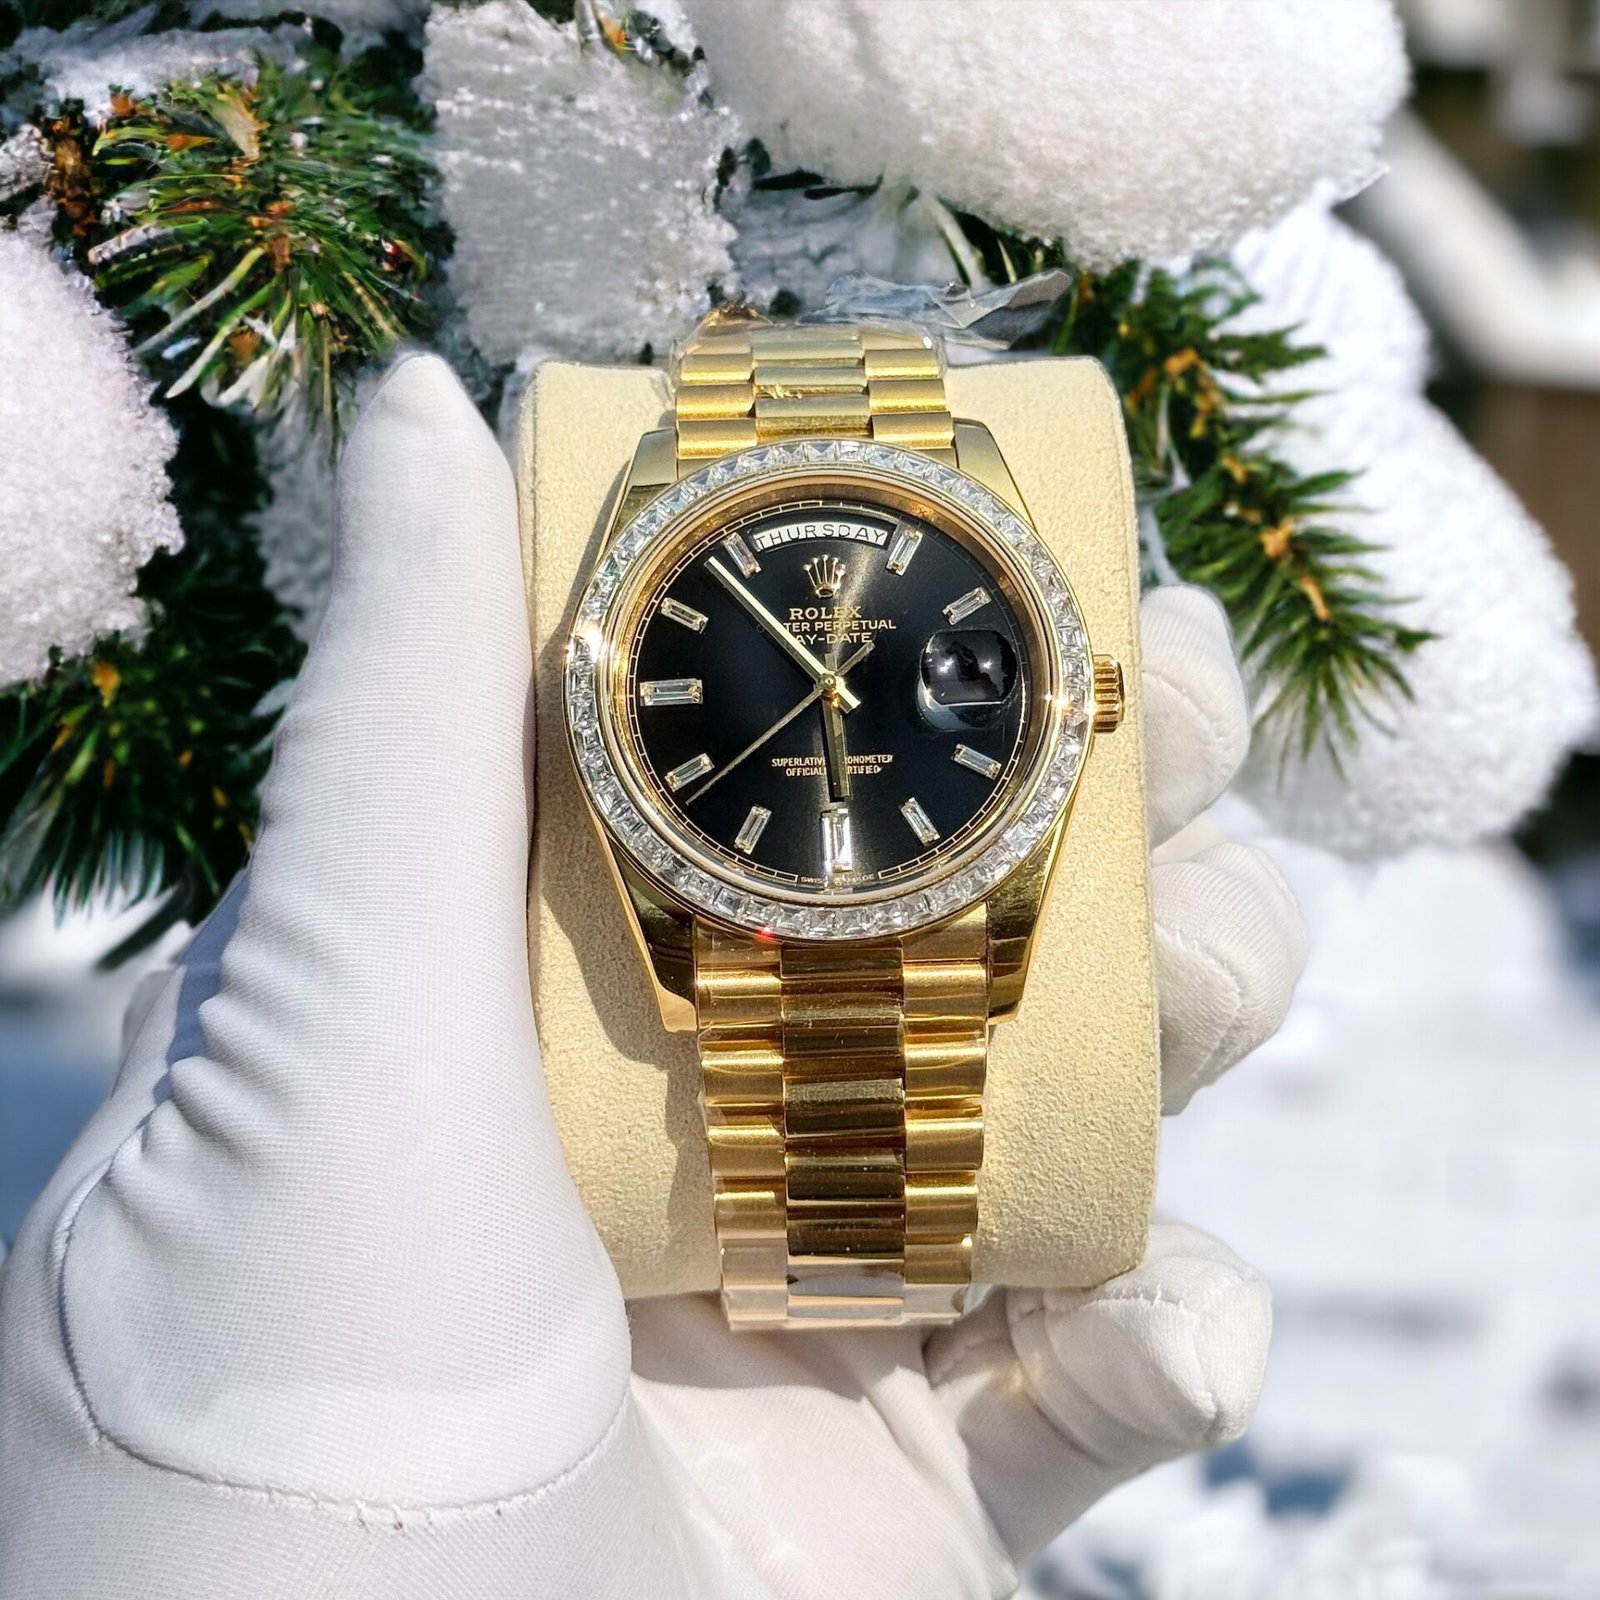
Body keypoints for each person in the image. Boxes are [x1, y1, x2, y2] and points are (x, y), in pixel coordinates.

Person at [0, 355, 1306, 1598]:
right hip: (714, 906)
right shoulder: (640, 655)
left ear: (1086, 693)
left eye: (847, 671)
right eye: (817, 670)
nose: (835, 688)